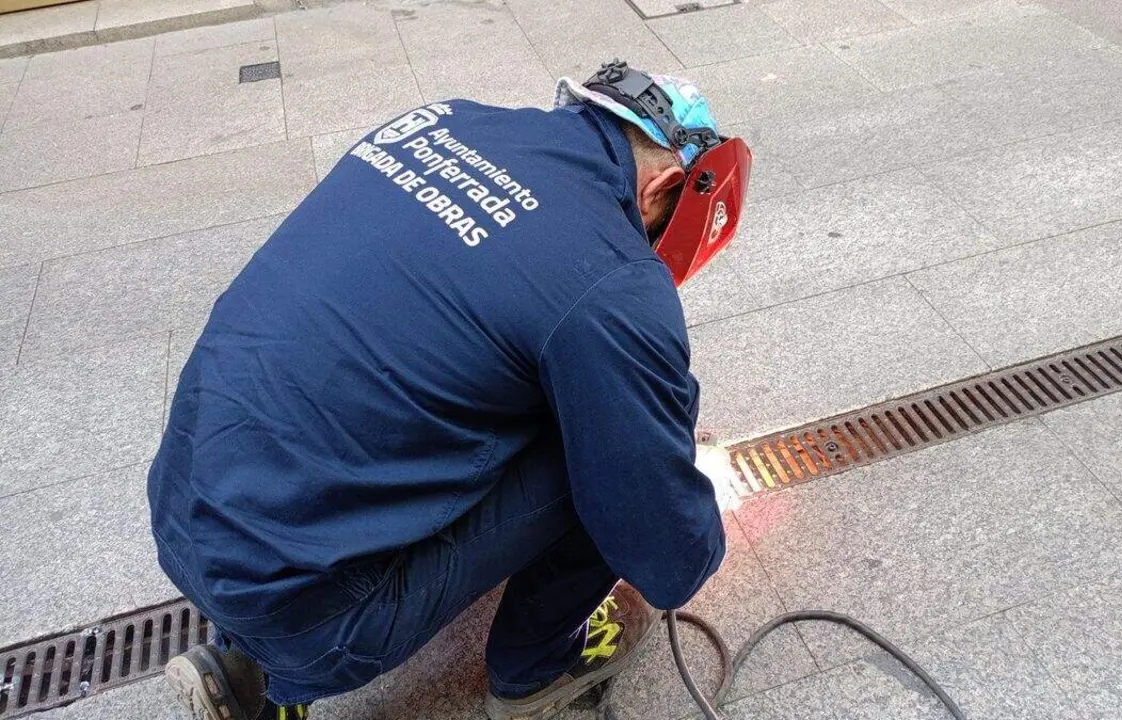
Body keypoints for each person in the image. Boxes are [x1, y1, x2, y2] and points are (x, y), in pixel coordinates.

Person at [150, 60, 752, 720]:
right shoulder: (608, 277)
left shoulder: (446, 121)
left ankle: (248, 669)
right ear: (663, 187)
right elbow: (666, 557)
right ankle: (536, 668)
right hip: (315, 619)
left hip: (185, 512)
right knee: (610, 454)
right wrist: (682, 493)